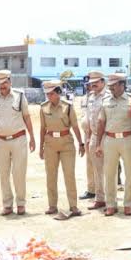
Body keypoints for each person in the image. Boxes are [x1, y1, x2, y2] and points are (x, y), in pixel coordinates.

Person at [0, 70, 35, 216]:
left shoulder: (20, 96)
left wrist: (32, 137)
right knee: (3, 174)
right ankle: (7, 205)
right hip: (0, 141)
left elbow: (27, 117)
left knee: (19, 173)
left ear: (10, 81)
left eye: (4, 83)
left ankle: (21, 204)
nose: (2, 86)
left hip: (18, 139)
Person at [39, 79, 85, 219]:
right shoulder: (43, 107)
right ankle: (52, 205)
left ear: (58, 92)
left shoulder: (68, 107)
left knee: (69, 174)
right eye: (47, 94)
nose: (49, 96)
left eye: (51, 94)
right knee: (51, 175)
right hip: (50, 143)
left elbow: (75, 126)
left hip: (66, 143)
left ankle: (73, 206)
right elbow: (42, 128)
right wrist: (41, 147)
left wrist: (81, 143)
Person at [95, 73, 131, 216]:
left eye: (114, 85)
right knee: (109, 174)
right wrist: (98, 144)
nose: (111, 88)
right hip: (110, 140)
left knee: (130, 173)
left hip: (128, 139)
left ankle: (128, 204)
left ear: (122, 85)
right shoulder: (105, 101)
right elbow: (101, 122)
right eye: (110, 86)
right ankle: (111, 204)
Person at [83, 71, 107, 210]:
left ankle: (110, 199)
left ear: (103, 82)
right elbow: (91, 118)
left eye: (97, 82)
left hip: (106, 137)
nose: (94, 84)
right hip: (93, 137)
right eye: (92, 82)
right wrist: (88, 137)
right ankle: (100, 198)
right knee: (97, 170)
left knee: (108, 170)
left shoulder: (108, 96)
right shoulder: (91, 97)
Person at [79, 80, 96, 201]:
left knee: (100, 164)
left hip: (97, 134)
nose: (88, 87)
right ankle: (91, 189)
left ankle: (103, 190)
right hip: (87, 134)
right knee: (89, 163)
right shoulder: (84, 99)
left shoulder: (102, 97)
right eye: (87, 85)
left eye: (90, 84)